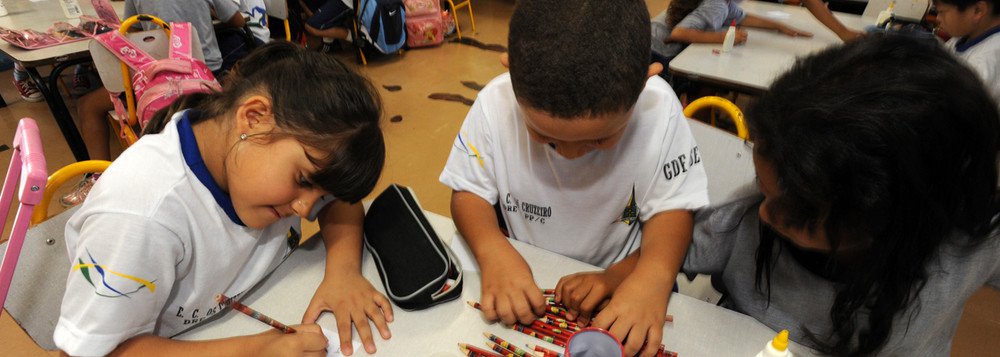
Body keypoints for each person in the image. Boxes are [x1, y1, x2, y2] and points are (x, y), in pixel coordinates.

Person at [54, 42, 391, 357]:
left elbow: (341, 200)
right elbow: (89, 352)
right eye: (302, 180)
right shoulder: (142, 215)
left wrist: (344, 272)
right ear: (254, 117)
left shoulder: (255, 150)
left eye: (320, 193)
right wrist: (257, 350)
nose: (305, 208)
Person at [684, 34, 999, 356]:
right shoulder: (743, 220)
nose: (765, 213)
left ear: (887, 218)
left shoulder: (970, 244)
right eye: (761, 185)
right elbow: (668, 242)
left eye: (797, 211)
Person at [438, 1, 709, 356]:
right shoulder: (494, 103)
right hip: (526, 274)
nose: (569, 154)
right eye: (545, 136)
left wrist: (651, 280)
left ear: (645, 81)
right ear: (511, 73)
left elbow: (674, 210)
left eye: (598, 140)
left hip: (626, 278)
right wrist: (492, 250)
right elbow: (468, 193)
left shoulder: (660, 111)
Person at [60, 0, 249, 207]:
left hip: (157, 79)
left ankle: (98, 177)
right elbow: (238, 21)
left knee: (87, 106)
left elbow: (132, 30)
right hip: (205, 76)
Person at [651, 0, 814, 63]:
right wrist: (723, 37)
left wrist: (779, 26)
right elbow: (679, 33)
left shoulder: (725, 4)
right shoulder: (716, 4)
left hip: (658, 41)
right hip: (658, 49)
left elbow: (743, 18)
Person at [934, 0, 1000, 105]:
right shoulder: (967, 34)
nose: (938, 18)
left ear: (978, 10)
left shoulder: (981, 66)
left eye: (941, 11)